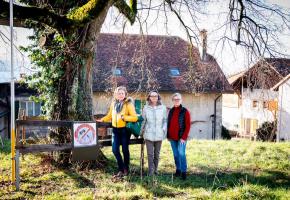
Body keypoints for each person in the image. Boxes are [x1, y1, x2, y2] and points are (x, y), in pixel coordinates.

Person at [96, 86, 138, 177]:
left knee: (125, 150)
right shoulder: (113, 104)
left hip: (125, 130)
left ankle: (126, 169)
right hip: (115, 130)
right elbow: (109, 115)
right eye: (119, 93)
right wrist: (102, 120)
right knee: (115, 150)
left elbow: (135, 118)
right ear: (116, 94)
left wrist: (125, 117)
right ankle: (121, 168)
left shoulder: (128, 104)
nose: (120, 95)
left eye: (122, 93)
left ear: (125, 94)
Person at [141, 91, 167, 176]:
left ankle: (156, 170)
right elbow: (143, 120)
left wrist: (163, 129)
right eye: (152, 96)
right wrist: (141, 132)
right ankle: (151, 171)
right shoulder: (146, 107)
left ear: (158, 97)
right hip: (149, 133)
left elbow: (165, 120)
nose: (154, 98)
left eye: (155, 96)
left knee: (157, 153)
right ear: (149, 98)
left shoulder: (163, 107)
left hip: (159, 134)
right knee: (150, 154)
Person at [167, 93, 191, 180]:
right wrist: (168, 135)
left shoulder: (185, 111)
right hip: (172, 137)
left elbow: (188, 125)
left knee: (181, 154)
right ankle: (178, 169)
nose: (176, 101)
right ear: (173, 101)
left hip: (181, 138)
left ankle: (184, 172)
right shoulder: (171, 111)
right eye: (175, 99)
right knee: (176, 155)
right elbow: (168, 123)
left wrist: (184, 138)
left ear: (181, 100)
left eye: (178, 99)